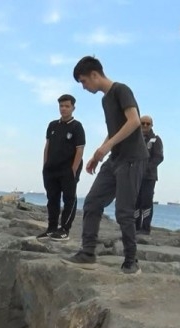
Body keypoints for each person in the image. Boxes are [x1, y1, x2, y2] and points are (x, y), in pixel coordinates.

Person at [62, 56, 149, 275]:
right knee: (92, 202)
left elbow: (134, 121)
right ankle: (87, 253)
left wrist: (106, 147)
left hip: (132, 158)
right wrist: (98, 154)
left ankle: (131, 261)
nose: (83, 87)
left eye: (83, 81)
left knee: (124, 212)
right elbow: (114, 130)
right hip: (115, 159)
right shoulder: (105, 99)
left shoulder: (121, 90)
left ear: (94, 75)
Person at [38, 94, 86, 241]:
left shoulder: (77, 126)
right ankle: (51, 228)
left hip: (68, 169)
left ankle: (64, 229)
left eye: (67, 106)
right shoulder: (53, 125)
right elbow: (47, 146)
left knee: (69, 198)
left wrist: (73, 169)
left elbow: (80, 149)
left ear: (73, 108)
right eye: (61, 106)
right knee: (52, 198)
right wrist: (45, 165)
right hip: (51, 168)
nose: (64, 109)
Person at [134, 115, 164, 235]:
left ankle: (145, 228)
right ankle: (135, 226)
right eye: (143, 123)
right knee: (135, 201)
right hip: (135, 176)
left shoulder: (156, 140)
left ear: (151, 125)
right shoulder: (135, 138)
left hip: (149, 177)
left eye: (148, 123)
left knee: (146, 201)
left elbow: (159, 157)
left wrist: (146, 169)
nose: (145, 125)